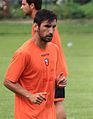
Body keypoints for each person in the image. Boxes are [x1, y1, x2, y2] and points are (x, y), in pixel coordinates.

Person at [4, 9, 67, 119]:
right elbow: (8, 81)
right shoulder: (23, 53)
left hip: (48, 114)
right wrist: (30, 96)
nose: (51, 31)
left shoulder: (54, 49)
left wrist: (58, 82)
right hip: (27, 114)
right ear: (36, 27)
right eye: (47, 26)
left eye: (53, 27)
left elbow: (45, 76)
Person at [21, 0, 68, 119]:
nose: (21, 7)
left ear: (32, 6)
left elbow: (42, 50)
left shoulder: (43, 24)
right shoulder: (45, 21)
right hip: (55, 67)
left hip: (54, 70)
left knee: (56, 102)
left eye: (23, 4)